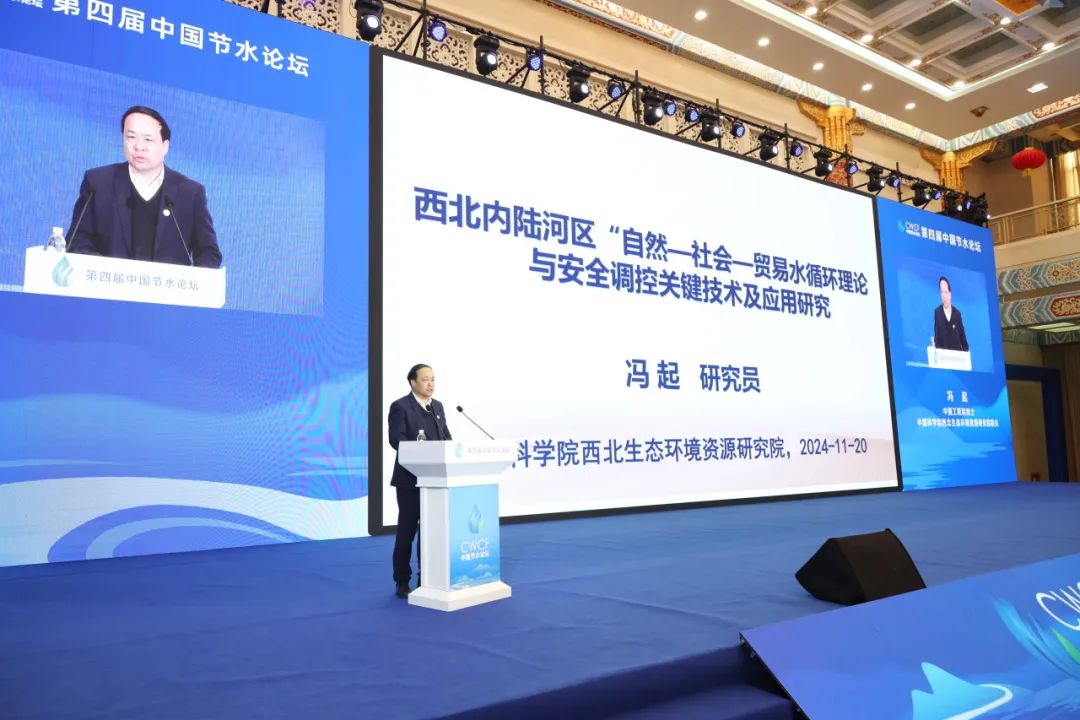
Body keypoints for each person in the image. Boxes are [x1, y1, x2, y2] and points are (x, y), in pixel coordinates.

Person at [66, 106, 222, 268]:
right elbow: (77, 241)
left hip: (167, 284)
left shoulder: (190, 193)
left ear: (165, 146)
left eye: (148, 140)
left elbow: (209, 253)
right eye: (131, 137)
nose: (139, 146)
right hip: (109, 281)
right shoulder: (98, 183)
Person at [387, 363, 452, 599]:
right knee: (407, 531)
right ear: (413, 382)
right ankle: (402, 580)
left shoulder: (438, 407)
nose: (430, 383)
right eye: (425, 379)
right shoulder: (401, 406)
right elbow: (396, 440)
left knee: (432, 531)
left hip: (435, 481)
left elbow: (446, 437)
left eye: (433, 379)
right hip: (410, 481)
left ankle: (427, 578)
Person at [933, 276, 969, 352]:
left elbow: (963, 340)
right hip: (944, 357)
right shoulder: (937, 313)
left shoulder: (957, 314)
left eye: (946, 292)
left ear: (950, 294)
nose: (944, 296)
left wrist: (966, 355)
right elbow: (937, 339)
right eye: (942, 292)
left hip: (957, 357)